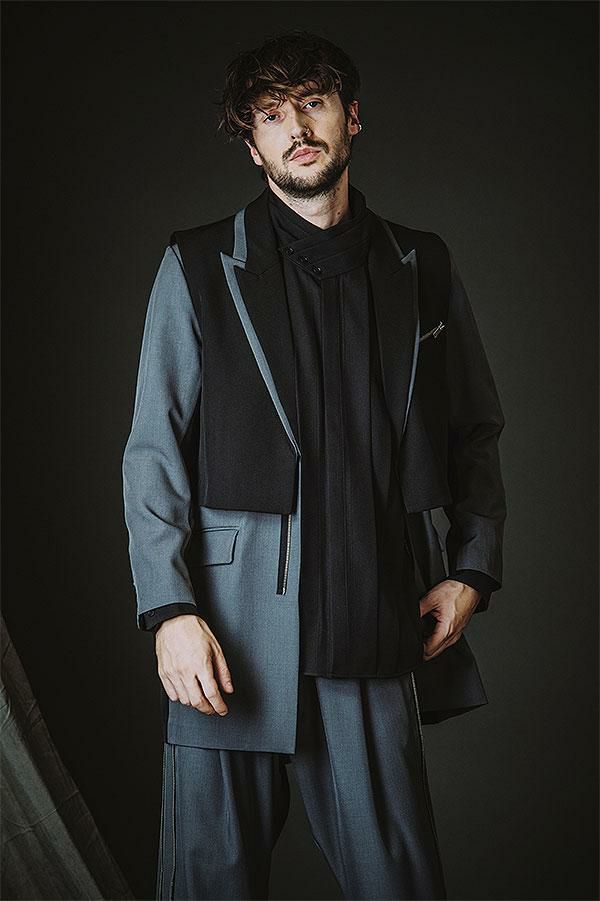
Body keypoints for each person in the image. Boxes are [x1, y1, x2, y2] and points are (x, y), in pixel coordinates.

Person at [122, 28, 506, 901]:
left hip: (373, 619)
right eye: (269, 114)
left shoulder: (422, 264)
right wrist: (170, 611)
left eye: (312, 103)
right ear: (251, 143)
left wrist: (472, 569)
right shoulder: (197, 264)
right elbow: (152, 448)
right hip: (226, 637)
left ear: (351, 116)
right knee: (205, 888)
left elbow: (475, 428)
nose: (295, 127)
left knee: (400, 886)